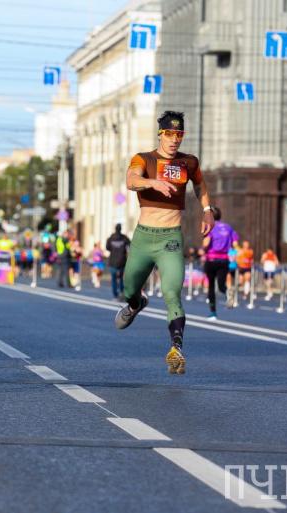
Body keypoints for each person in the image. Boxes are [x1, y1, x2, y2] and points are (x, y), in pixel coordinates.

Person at [114, 111, 215, 374]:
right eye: (169, 134)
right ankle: (135, 304)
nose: (174, 139)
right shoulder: (144, 159)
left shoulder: (189, 162)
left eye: (179, 134)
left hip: (171, 238)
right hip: (143, 237)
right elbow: (131, 180)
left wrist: (207, 210)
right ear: (160, 134)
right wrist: (153, 183)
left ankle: (176, 348)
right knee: (129, 289)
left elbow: (200, 186)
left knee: (172, 292)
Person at [202, 207, 238, 319]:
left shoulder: (210, 227)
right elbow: (235, 244)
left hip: (212, 259)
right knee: (221, 284)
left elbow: (206, 244)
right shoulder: (228, 227)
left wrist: (203, 249)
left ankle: (213, 313)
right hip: (224, 260)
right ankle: (227, 291)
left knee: (211, 286)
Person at [106, 223, 131, 300]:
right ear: (121, 229)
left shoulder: (111, 238)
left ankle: (115, 295)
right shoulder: (124, 238)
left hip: (113, 261)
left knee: (113, 279)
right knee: (121, 279)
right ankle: (121, 292)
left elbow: (107, 248)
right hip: (122, 261)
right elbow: (130, 246)